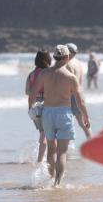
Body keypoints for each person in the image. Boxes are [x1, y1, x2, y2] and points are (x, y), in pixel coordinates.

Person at [29, 45, 89, 185]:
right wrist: (86, 116)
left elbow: (32, 93)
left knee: (51, 150)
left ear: (55, 57)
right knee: (62, 152)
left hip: (48, 113)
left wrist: (30, 108)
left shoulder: (44, 74)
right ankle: (57, 182)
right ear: (67, 58)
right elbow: (81, 101)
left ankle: (51, 177)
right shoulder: (70, 77)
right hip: (64, 113)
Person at [26, 50, 51, 163]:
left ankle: (42, 157)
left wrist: (30, 108)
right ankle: (40, 160)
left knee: (42, 132)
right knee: (45, 134)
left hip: (34, 105)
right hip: (47, 103)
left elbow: (28, 92)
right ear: (47, 59)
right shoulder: (48, 73)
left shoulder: (31, 75)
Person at [65, 43, 92, 139]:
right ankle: (91, 142)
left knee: (63, 125)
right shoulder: (79, 63)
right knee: (84, 124)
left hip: (70, 96)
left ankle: (63, 149)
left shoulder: (67, 64)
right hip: (80, 94)